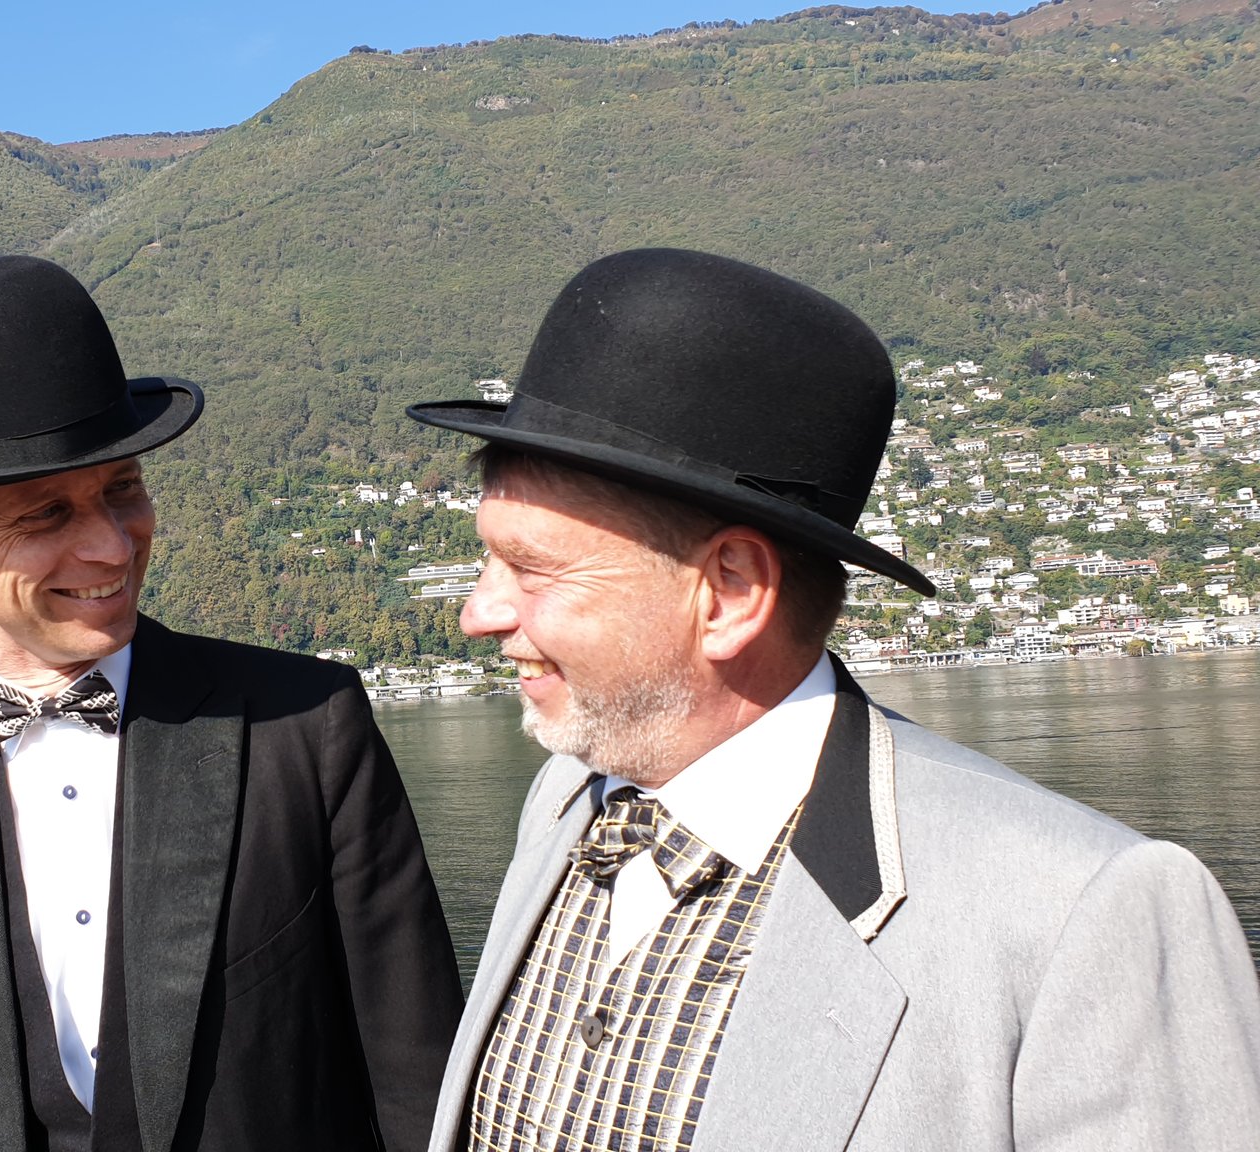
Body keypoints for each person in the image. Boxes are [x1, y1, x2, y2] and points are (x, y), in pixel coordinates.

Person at [406, 248, 1260, 1150]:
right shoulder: (566, 798)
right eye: (488, 559)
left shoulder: (1084, 912)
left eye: (532, 568)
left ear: (730, 592)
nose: (477, 613)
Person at [0, 254, 462, 1152]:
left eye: (122, 489)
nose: (114, 547)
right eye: (45, 515)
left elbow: (422, 1084)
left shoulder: (306, 728)